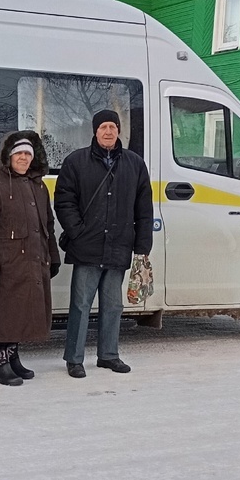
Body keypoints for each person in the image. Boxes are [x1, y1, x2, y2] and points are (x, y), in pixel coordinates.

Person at [54, 109, 153, 377]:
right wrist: (77, 232)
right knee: (80, 305)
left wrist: (142, 247)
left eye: (112, 126)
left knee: (113, 306)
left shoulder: (135, 164)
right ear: (95, 131)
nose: (108, 132)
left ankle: (109, 355)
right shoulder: (76, 161)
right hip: (86, 247)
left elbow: (144, 208)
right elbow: (64, 200)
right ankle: (74, 359)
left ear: (119, 130)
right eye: (103, 127)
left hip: (119, 246)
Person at [0, 130, 61, 385]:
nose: (23, 158)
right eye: (19, 153)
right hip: (4, 265)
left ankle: (12, 358)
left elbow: (47, 225)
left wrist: (53, 256)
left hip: (32, 261)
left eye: (27, 154)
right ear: (8, 156)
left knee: (20, 313)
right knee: (4, 314)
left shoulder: (39, 186)